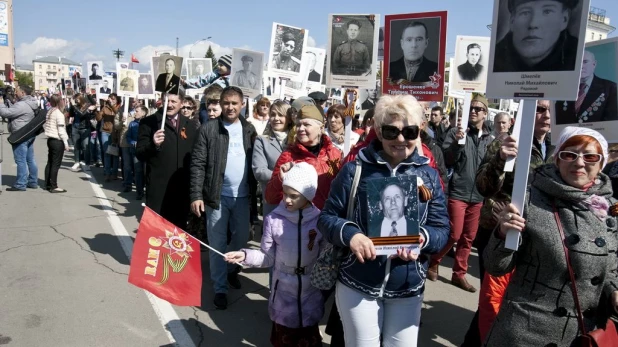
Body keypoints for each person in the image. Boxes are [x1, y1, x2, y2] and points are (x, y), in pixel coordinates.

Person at [318, 94, 449, 347]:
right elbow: (326, 218)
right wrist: (352, 236)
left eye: (409, 131)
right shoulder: (355, 169)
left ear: (419, 131)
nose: (400, 139)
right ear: (378, 131)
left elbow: (442, 229)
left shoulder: (428, 175)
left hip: (407, 286)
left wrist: (422, 239)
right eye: (391, 131)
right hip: (358, 283)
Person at [483, 126, 618, 346]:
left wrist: (613, 291)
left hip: (582, 334)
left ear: (602, 163)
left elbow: (612, 266)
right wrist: (502, 234)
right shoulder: (528, 200)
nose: (580, 163)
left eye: (590, 156)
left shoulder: (610, 208)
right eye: (569, 154)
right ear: (557, 160)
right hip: (526, 332)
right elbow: (495, 266)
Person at [460, 100, 554, 345]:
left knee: (518, 300)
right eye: (540, 109)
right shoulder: (504, 142)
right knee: (494, 299)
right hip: (500, 235)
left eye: (551, 109)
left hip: (540, 237)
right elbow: (483, 187)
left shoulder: (560, 149)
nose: (546, 115)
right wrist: (501, 159)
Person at [225, 163, 324, 347]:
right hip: (283, 294)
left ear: (308, 195)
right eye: (285, 193)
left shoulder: (319, 221)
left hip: (310, 292)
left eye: (293, 196)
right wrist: (245, 256)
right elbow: (267, 257)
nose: (286, 199)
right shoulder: (273, 220)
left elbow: (324, 256)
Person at [189, 86, 258, 310]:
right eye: (226, 103)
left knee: (240, 241)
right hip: (216, 197)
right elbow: (198, 163)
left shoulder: (249, 130)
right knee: (217, 243)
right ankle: (220, 288)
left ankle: (230, 271)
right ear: (220, 104)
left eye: (234, 103)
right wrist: (196, 194)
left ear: (242, 105)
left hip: (243, 198)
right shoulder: (209, 129)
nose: (230, 107)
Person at [428, 94, 494, 292]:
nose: (473, 111)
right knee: (454, 234)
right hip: (458, 192)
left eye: (478, 109)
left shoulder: (489, 139)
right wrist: (458, 142)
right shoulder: (456, 132)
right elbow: (447, 160)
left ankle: (459, 274)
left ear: (485, 113)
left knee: (468, 237)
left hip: (478, 196)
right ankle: (434, 261)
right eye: (471, 108)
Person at [137, 90, 199, 228]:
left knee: (178, 231)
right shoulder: (149, 123)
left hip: (182, 187)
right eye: (166, 101)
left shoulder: (190, 125)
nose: (169, 105)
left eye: (173, 102)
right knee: (157, 230)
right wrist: (153, 145)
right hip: (159, 187)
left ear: (182, 103)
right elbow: (140, 154)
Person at [265, 104, 341, 211]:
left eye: (306, 124)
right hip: (299, 223)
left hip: (326, 221)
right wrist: (280, 179)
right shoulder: (288, 156)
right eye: (299, 124)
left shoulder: (335, 155)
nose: (300, 129)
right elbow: (270, 197)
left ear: (321, 127)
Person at [493, 0, 579, 72]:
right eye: (525, 13)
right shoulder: (495, 59)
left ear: (564, 19)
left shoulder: (579, 58)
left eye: (547, 12)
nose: (533, 24)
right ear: (512, 21)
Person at [555, 50, 618, 124]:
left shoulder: (610, 88)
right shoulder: (564, 87)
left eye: (585, 62)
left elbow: (611, 120)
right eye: (577, 63)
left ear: (594, 64)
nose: (581, 66)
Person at [253, 101, 293, 217]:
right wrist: (284, 177)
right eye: (273, 115)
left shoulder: (297, 139)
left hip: (296, 200)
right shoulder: (262, 140)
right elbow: (259, 171)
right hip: (273, 199)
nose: (276, 118)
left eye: (281, 115)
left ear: (289, 118)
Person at [0, 86, 40, 191]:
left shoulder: (21, 105)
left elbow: (5, 113)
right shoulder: (31, 102)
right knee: (30, 159)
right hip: (29, 134)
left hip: (20, 135)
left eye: (16, 91)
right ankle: (32, 181)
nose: (15, 93)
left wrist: (1, 103)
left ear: (22, 92)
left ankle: (21, 184)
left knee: (20, 160)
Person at [42, 94, 70, 193]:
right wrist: (66, 143)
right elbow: (61, 130)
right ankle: (54, 186)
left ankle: (47, 184)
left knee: (50, 162)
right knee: (55, 164)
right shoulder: (58, 113)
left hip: (50, 139)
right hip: (57, 140)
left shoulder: (50, 111)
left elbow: (45, 125)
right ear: (59, 101)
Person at [124, 105, 147, 199]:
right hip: (135, 151)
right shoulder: (132, 124)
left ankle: (147, 189)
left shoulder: (147, 123)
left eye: (137, 111)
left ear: (143, 113)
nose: (135, 113)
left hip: (146, 151)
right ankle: (139, 192)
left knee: (146, 172)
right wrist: (133, 142)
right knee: (138, 171)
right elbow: (128, 136)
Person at [96, 94, 121, 182]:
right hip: (105, 132)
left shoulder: (119, 107)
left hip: (115, 133)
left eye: (113, 99)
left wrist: (112, 105)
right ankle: (107, 173)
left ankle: (114, 173)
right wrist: (98, 110)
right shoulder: (105, 107)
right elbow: (98, 119)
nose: (111, 100)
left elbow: (117, 113)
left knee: (114, 154)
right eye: (110, 98)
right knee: (106, 153)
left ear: (116, 100)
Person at [69, 94, 97, 171]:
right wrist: (71, 106)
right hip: (75, 127)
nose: (76, 101)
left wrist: (89, 95)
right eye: (75, 99)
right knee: (76, 146)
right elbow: (71, 114)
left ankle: (87, 163)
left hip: (85, 128)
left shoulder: (87, 106)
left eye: (77, 99)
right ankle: (77, 162)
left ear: (81, 99)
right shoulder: (74, 106)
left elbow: (82, 114)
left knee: (85, 146)